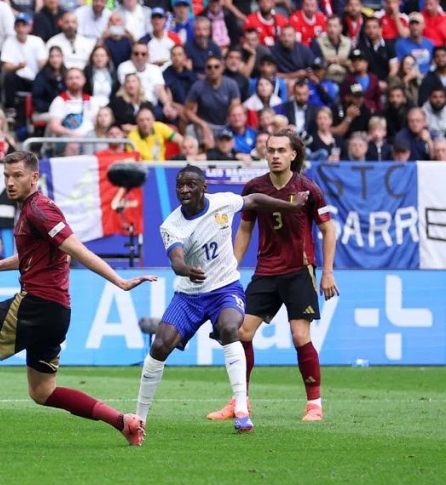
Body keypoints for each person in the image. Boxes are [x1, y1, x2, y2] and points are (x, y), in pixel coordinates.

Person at [0, 151, 156, 448]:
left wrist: (119, 280)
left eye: (17, 175)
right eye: (6, 176)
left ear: (34, 177)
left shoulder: (40, 210)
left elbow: (75, 248)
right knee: (42, 392)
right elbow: (34, 254)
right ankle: (124, 422)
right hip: (56, 312)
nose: (10, 182)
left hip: (37, 304)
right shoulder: (33, 210)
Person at [135, 165, 309, 433]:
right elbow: (176, 259)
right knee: (159, 345)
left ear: (204, 187)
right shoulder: (171, 225)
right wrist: (185, 270)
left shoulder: (223, 202)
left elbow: (254, 200)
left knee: (230, 328)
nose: (184, 189)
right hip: (188, 295)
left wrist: (291, 205)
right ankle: (139, 417)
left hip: (225, 289)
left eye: (191, 184)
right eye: (180, 185)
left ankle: (241, 410)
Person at [206, 130, 339, 423]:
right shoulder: (255, 188)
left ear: (293, 155)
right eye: (271, 150)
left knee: (299, 334)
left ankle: (314, 404)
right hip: (266, 271)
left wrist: (327, 273)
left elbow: (329, 229)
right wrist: (231, 267)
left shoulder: (308, 189)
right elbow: (244, 230)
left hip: (299, 271)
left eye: (281, 150)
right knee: (241, 332)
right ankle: (240, 402)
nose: (275, 155)